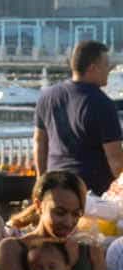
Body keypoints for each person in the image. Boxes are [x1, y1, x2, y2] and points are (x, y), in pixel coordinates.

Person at [33, 40, 123, 198]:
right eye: (106, 64)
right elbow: (116, 161)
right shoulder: (102, 104)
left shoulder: (47, 96)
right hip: (91, 194)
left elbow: (39, 142)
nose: (109, 69)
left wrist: (41, 181)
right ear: (92, 68)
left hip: (54, 189)